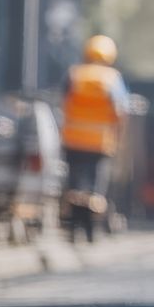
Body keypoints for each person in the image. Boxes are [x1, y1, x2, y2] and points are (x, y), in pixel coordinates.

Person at [61, 33, 130, 225]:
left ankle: (74, 225)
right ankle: (92, 228)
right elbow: (121, 112)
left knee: (74, 186)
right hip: (100, 143)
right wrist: (119, 139)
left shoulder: (74, 74)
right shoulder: (112, 79)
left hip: (73, 140)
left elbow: (63, 104)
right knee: (94, 190)